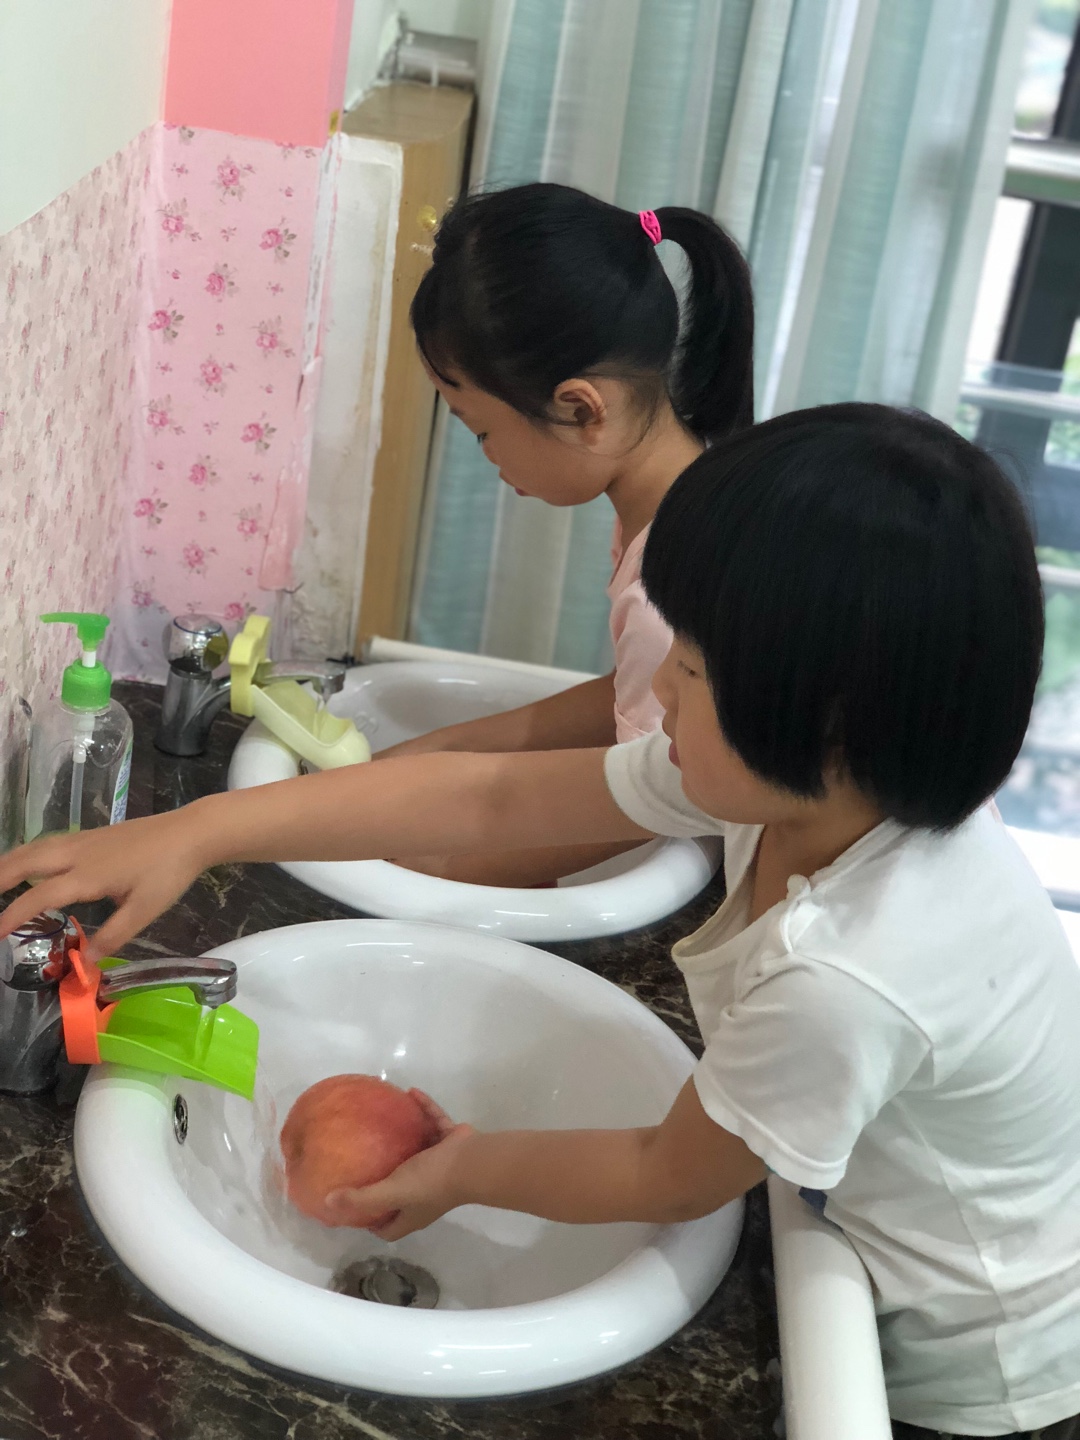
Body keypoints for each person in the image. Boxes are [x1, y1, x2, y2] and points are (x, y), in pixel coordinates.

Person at [3, 404, 1079, 1439]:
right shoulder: (802, 789)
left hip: (978, 1363)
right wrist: (198, 831)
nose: (660, 690)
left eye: (691, 670)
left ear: (824, 728)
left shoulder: (845, 971)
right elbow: (494, 799)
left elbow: (669, 1172)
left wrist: (460, 1170)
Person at [379, 181, 753, 886]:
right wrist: (449, 748)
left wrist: (434, 864)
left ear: (582, 410)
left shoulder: (669, 587)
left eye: (482, 431)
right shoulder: (688, 491)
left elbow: (645, 805)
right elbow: (632, 701)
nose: (488, 458)